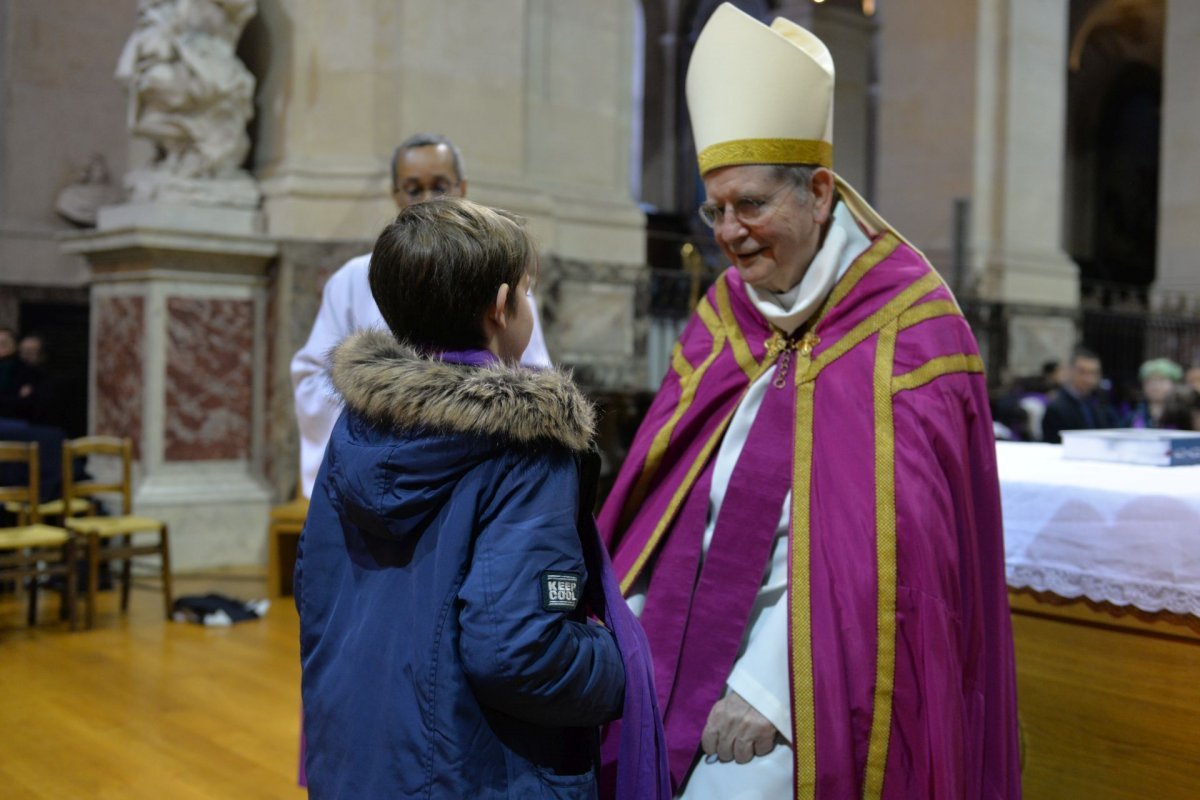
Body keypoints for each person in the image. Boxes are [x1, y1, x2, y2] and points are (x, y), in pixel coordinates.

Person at [597, 6, 1020, 798]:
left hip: (820, 666)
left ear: (820, 191)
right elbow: (670, 500)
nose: (730, 231)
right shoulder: (725, 314)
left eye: (751, 204)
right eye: (715, 208)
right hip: (681, 626)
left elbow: (902, 566)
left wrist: (770, 688)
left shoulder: (911, 331)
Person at [296, 198, 668, 800]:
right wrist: (620, 658)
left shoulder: (355, 425)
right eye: (527, 290)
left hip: (360, 749)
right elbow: (522, 647)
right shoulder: (525, 447)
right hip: (477, 771)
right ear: (501, 307)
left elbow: (315, 583)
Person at [290, 133, 552, 498]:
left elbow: (532, 372)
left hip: (480, 464)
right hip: (376, 465)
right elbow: (313, 379)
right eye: (414, 189)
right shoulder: (355, 278)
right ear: (396, 194)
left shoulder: (502, 275)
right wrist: (377, 427)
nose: (428, 200)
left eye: (440, 187)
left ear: (462, 188)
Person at [1041, 346, 1118, 443]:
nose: (1088, 379)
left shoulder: (1100, 404)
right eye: (1082, 372)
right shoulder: (1057, 408)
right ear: (1070, 371)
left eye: (1093, 373)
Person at [1122, 357, 1184, 429]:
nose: (1155, 385)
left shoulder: (1182, 415)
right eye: (1149, 381)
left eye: (1161, 380)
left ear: (1174, 384)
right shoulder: (1133, 416)